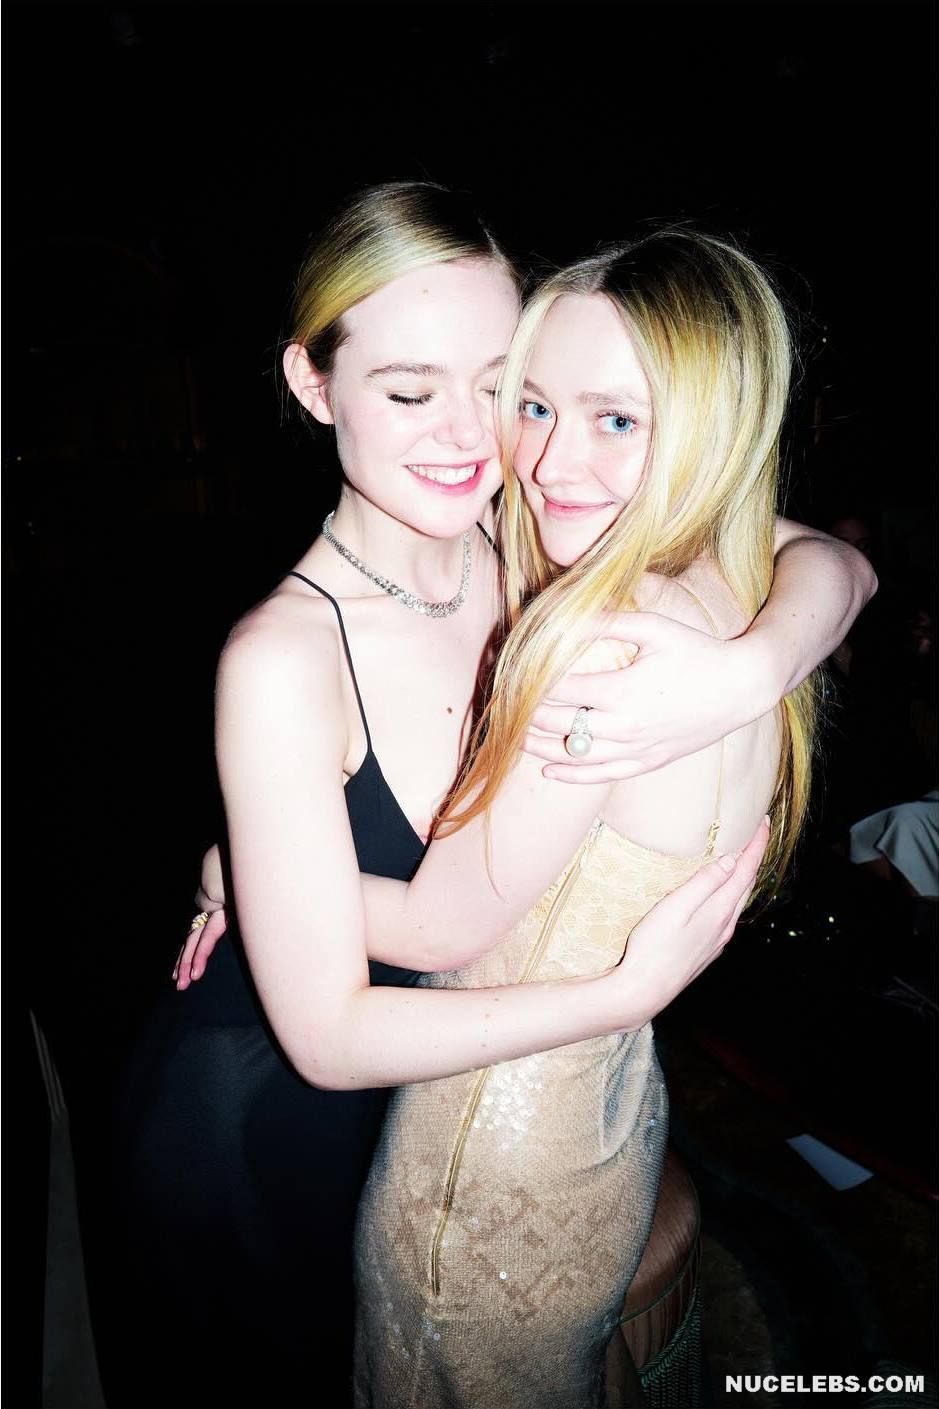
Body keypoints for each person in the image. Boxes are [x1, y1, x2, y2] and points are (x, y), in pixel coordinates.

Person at [117, 186, 872, 1409]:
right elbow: (328, 1033)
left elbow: (826, 557)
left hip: (454, 1093)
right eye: (409, 391)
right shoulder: (285, 658)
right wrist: (614, 993)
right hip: (278, 1118)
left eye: (499, 384)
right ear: (315, 384)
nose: (475, 438)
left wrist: (753, 664)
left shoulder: (527, 532)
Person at [343, 229, 822, 1407]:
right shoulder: (739, 590)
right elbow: (829, 558)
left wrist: (243, 864)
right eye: (535, 404)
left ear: (710, 426)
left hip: (481, 1181)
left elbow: (437, 928)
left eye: (617, 418)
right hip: (608, 1126)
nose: (553, 459)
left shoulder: (597, 643)